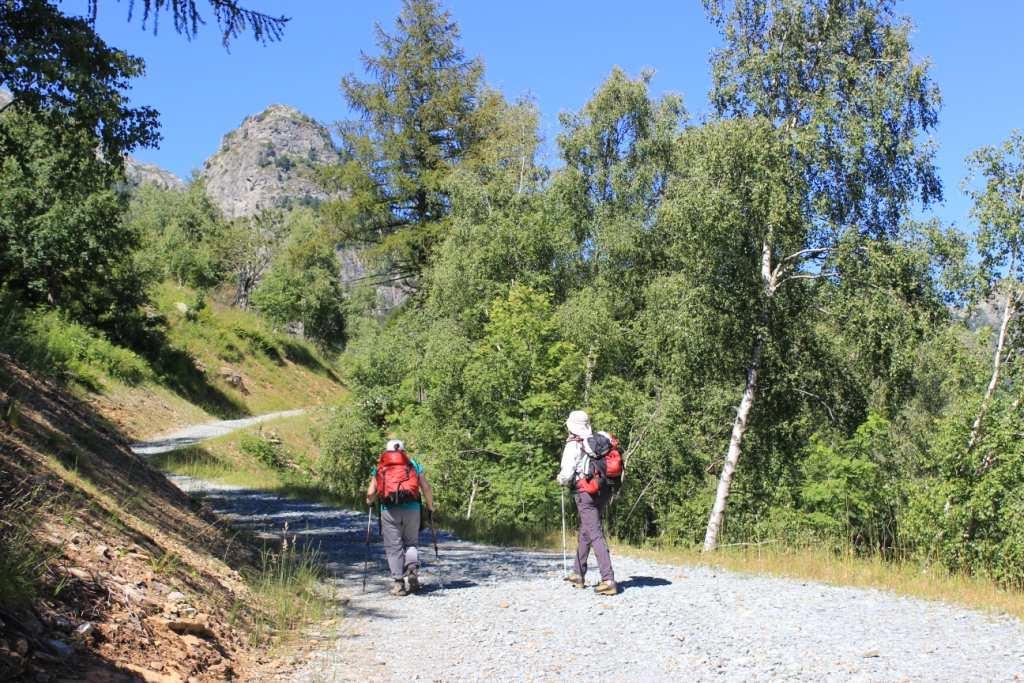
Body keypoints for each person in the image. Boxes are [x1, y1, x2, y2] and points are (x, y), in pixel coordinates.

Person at [557, 410, 618, 595]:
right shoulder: (598, 442)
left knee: (594, 533)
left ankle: (608, 579)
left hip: (585, 493)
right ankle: (578, 573)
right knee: (586, 530)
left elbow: (567, 475)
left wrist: (560, 479)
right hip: (603, 491)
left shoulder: (574, 445)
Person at [366, 439, 436, 596]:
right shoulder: (413, 465)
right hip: (412, 509)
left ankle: (399, 584)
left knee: (393, 547)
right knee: (411, 542)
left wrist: (369, 501)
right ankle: (412, 570)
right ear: (403, 451)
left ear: (387, 452)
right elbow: (426, 487)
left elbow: (371, 493)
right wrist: (430, 506)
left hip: (389, 510)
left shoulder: (380, 467)